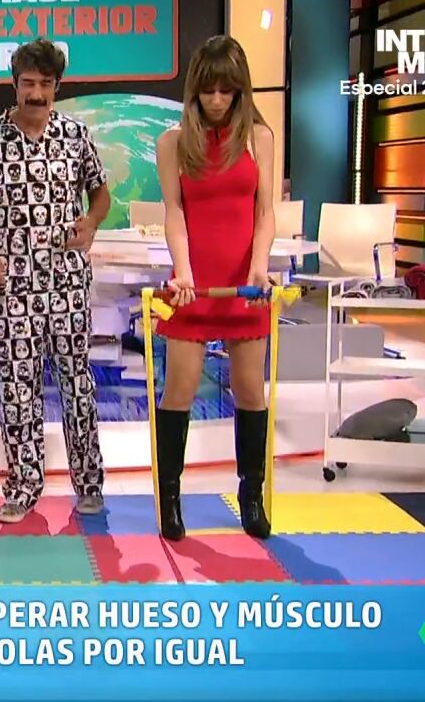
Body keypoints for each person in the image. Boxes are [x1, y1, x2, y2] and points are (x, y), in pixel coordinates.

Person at [0, 38, 111, 524]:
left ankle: (89, 483)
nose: (37, 93)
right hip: (10, 288)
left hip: (68, 283)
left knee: (77, 383)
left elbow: (101, 196)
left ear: (57, 86)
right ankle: (23, 487)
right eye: (28, 83)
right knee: (16, 388)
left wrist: (90, 224)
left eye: (45, 84)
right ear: (15, 84)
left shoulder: (76, 136)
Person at [152, 35, 277, 540]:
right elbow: (174, 213)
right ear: (195, 91)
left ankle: (251, 496)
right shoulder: (172, 142)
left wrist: (259, 268)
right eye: (208, 91)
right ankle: (170, 498)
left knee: (250, 390)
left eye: (227, 90)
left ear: (241, 89)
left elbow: (265, 212)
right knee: (179, 390)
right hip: (194, 288)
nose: (218, 100)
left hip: (245, 287)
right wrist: (182, 272)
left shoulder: (260, 138)